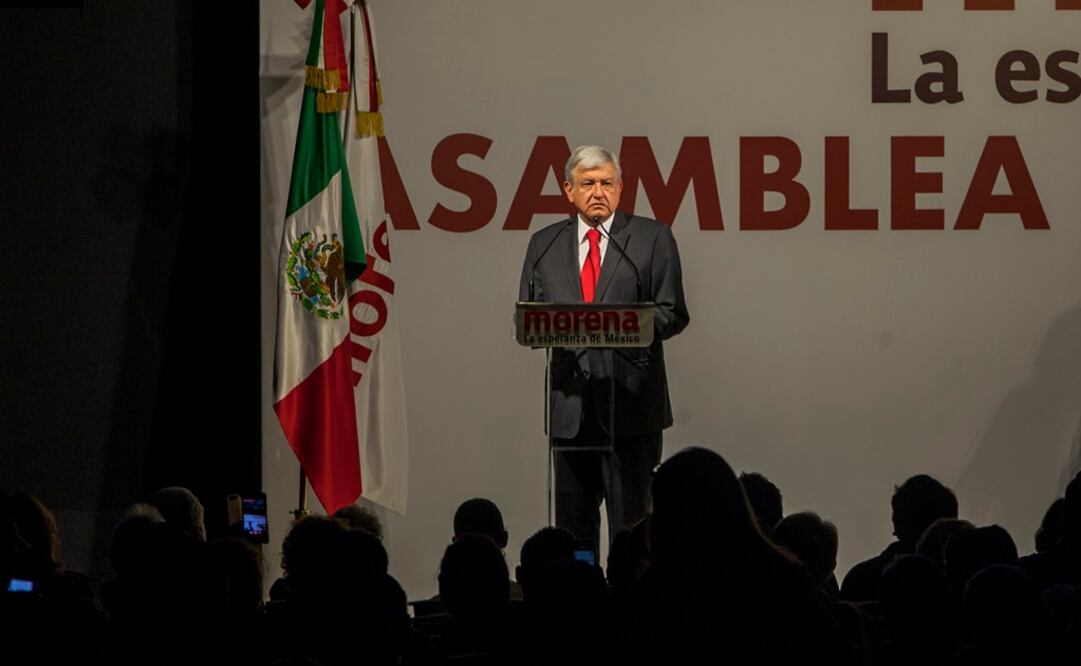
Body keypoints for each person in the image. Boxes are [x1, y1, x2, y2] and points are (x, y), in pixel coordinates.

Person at [518, 144, 689, 552]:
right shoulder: (545, 244)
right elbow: (531, 316)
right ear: (568, 190)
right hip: (571, 410)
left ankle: (629, 602)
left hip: (631, 408)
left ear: (621, 188)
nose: (598, 192)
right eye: (588, 183)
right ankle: (580, 597)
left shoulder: (650, 239)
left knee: (631, 531)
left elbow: (672, 312)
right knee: (575, 535)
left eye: (607, 183)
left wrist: (623, 327)